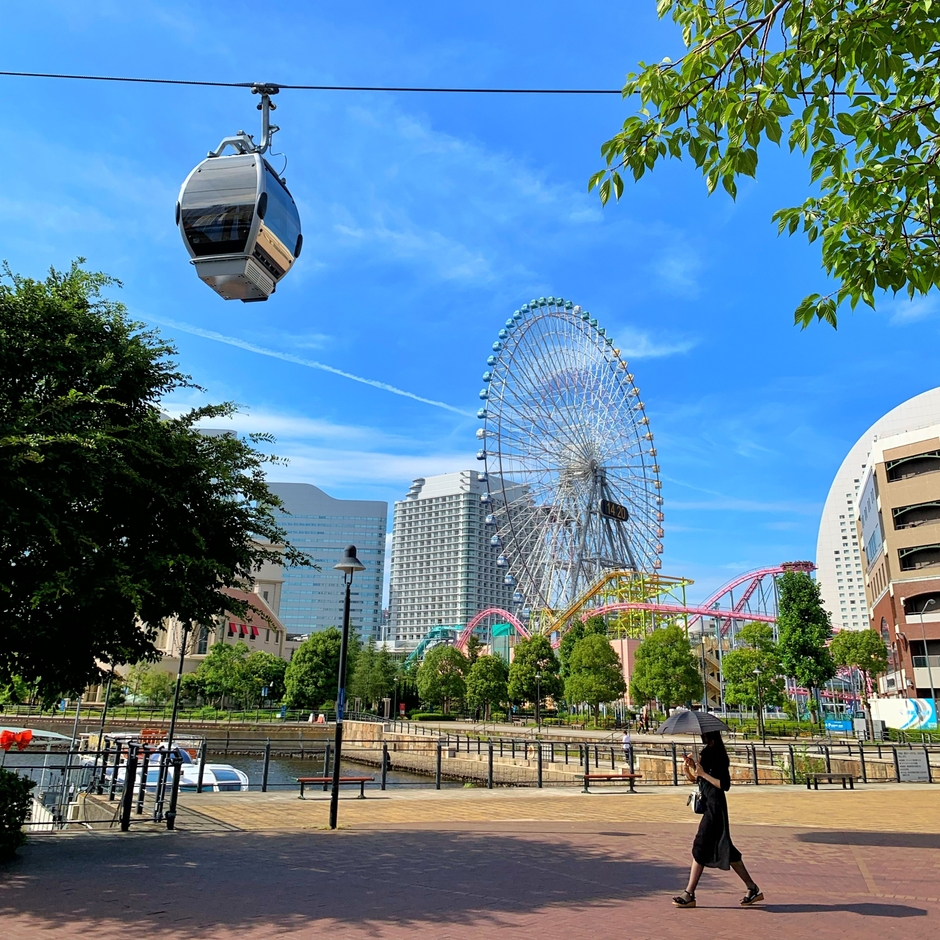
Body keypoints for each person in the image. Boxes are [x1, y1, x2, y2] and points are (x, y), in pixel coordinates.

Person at [672, 730, 763, 908]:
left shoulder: (719, 757)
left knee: (700, 845)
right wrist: (689, 768)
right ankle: (752, 888)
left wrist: (703, 773)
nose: (702, 739)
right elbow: (698, 780)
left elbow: (724, 784)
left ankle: (689, 893)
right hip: (708, 806)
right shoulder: (705, 753)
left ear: (712, 738)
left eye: (705, 737)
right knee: (727, 849)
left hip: (716, 808)